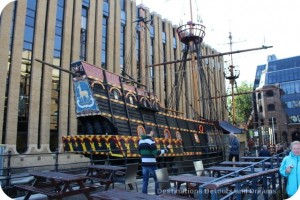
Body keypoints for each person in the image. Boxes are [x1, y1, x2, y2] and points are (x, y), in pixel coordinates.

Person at [138, 127, 168, 195]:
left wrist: (147, 153)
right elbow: (155, 152)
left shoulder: (140, 141)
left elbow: (139, 152)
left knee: (145, 181)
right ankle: (157, 195)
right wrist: (165, 150)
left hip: (144, 164)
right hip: (151, 164)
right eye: (153, 132)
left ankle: (144, 195)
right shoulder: (151, 141)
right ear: (151, 132)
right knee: (156, 179)